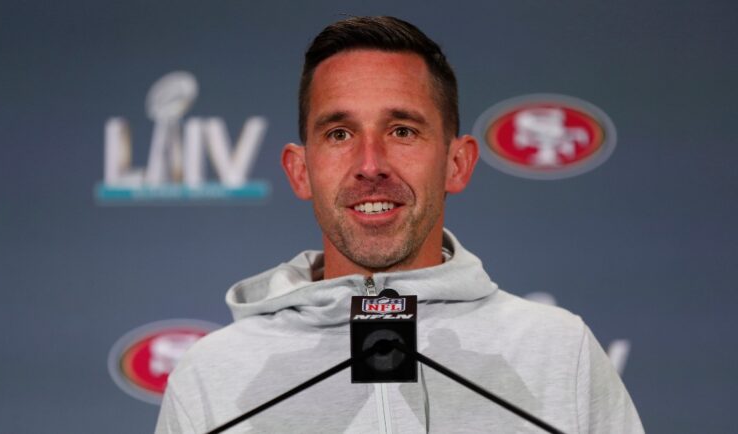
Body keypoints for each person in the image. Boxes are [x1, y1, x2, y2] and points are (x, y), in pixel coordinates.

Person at [155, 16, 643, 434]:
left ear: (457, 162)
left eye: (402, 131)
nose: (371, 164)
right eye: (340, 133)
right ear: (300, 171)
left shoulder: (558, 352)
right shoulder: (213, 375)